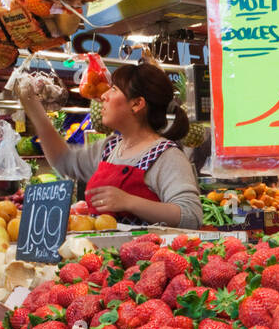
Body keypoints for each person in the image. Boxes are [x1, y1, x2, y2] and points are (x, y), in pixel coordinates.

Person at [17, 62, 203, 228]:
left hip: (145, 262)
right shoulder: (110, 148)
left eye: (114, 89)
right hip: (104, 259)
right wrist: (33, 107)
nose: (103, 96)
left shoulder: (168, 156)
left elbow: (191, 215)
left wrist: (129, 201)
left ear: (137, 104)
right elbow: (62, 160)